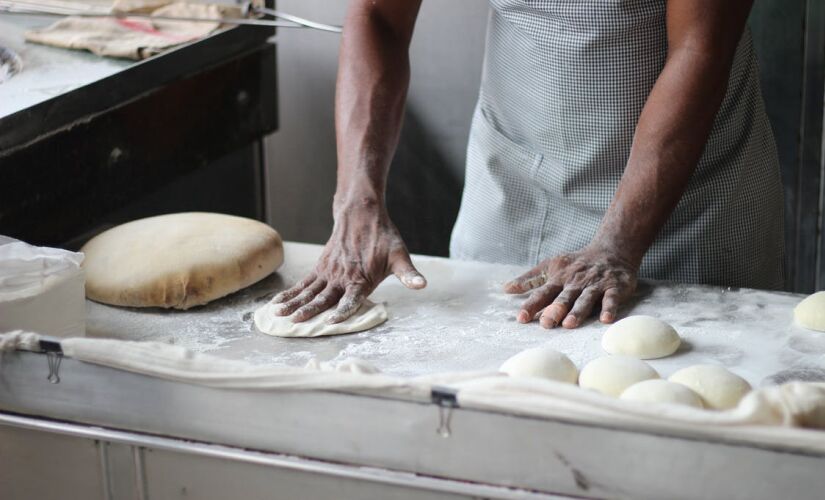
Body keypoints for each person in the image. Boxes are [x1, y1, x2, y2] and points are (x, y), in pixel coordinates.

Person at [272, 0, 783, 330]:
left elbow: (701, 45)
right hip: (513, 183)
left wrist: (618, 242)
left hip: (684, 204)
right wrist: (357, 200)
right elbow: (379, 16)